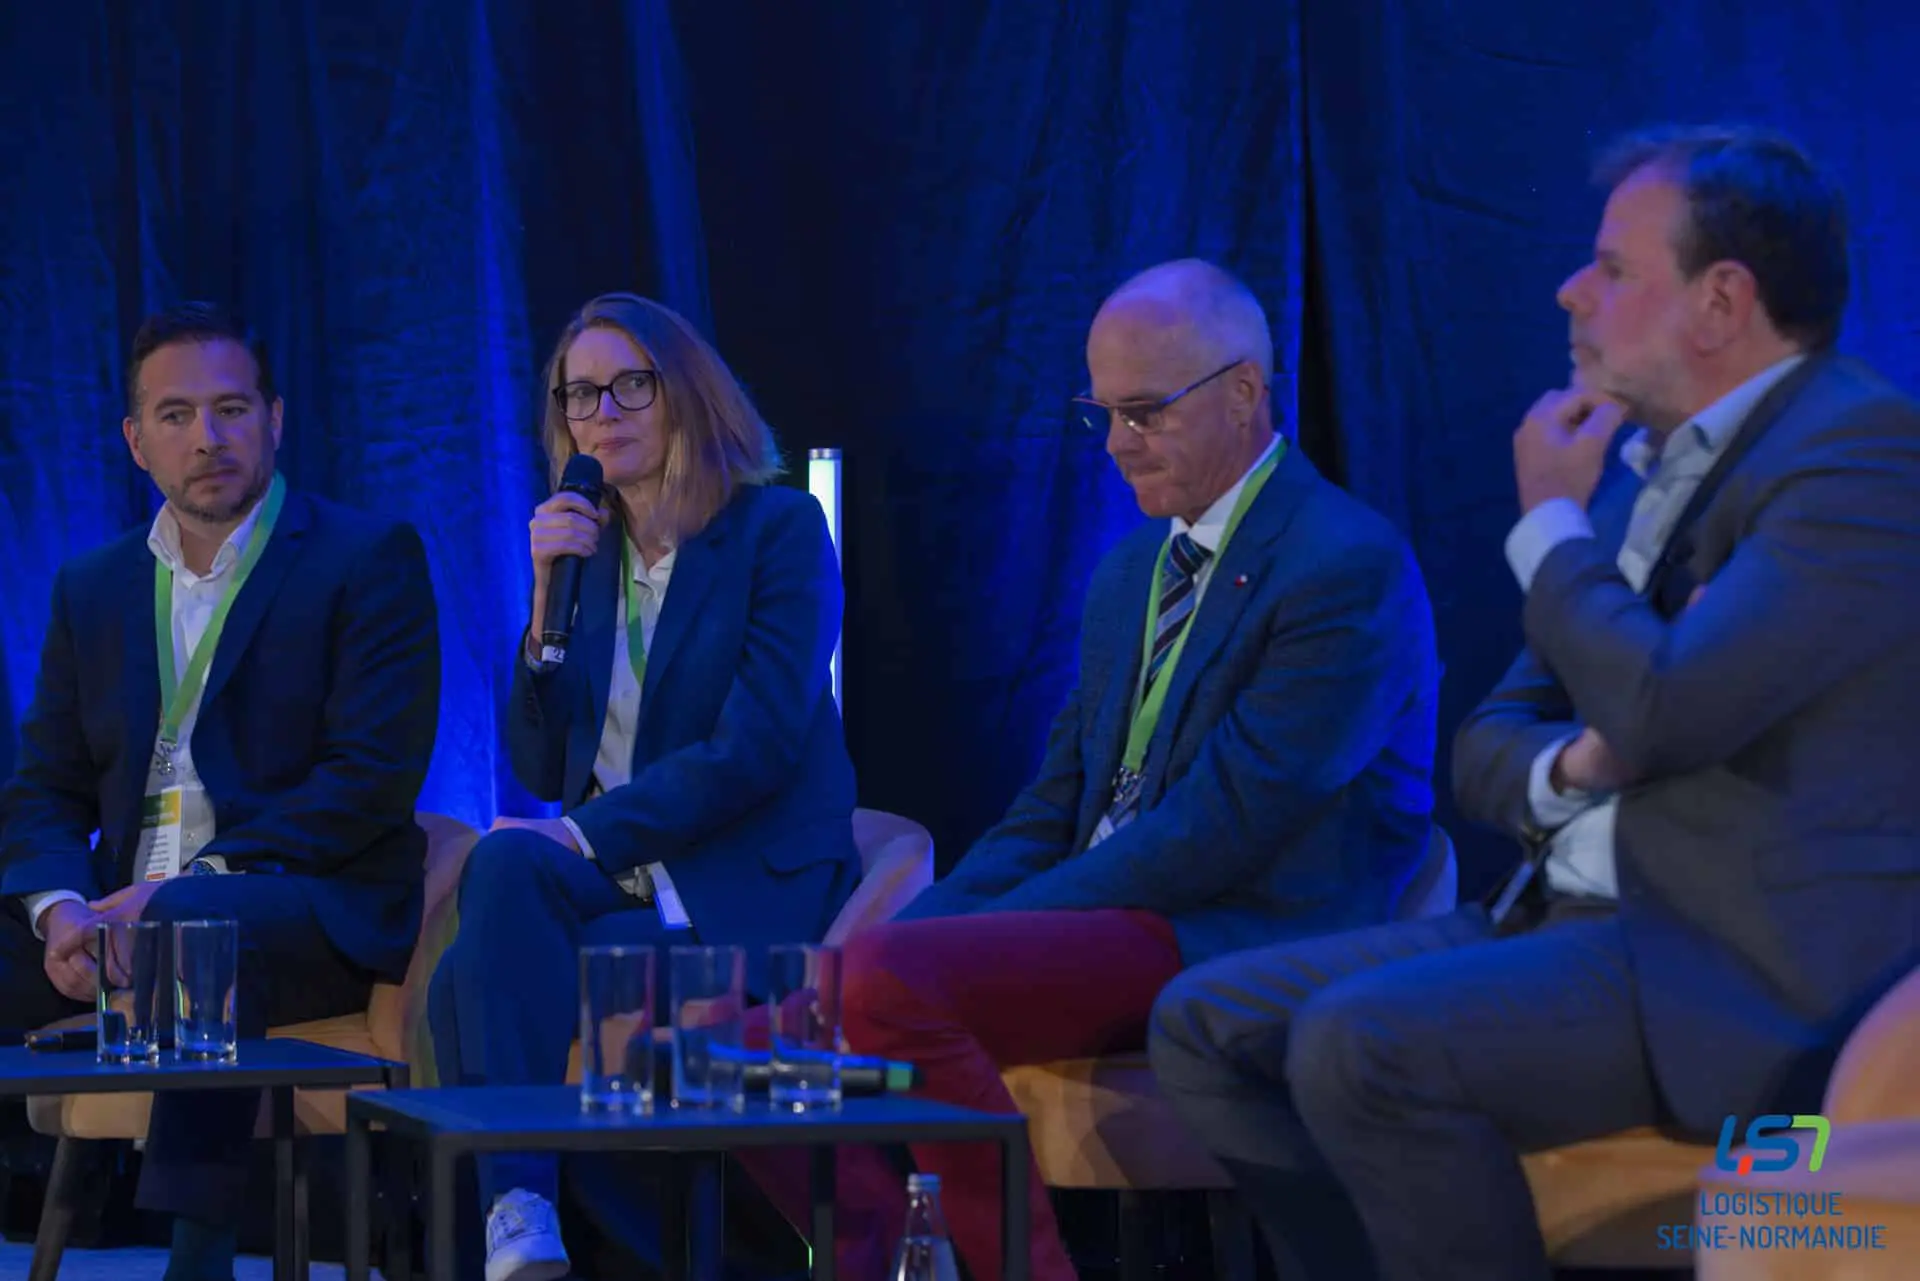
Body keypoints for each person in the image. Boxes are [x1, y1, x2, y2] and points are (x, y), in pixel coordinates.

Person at [1147, 126, 1920, 1281]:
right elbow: (1490, 743)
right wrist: (1577, 766)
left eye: (1611, 268)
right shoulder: (1651, 470)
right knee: (1204, 1024)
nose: (1570, 290)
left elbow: (1657, 710)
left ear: (1720, 301)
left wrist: (1550, 524)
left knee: (1364, 1045)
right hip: (1562, 918)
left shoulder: (1855, 459)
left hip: (1725, 963)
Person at [745, 258, 1441, 1281]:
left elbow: (1217, 830)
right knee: (746, 1044)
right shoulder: (1131, 571)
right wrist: (929, 926)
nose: (1116, 443)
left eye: (1144, 412)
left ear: (1244, 391)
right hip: (1114, 911)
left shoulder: (1345, 563)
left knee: (887, 984)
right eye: (1102, 412)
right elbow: (1054, 804)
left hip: (1236, 926)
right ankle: (889, 1264)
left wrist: (973, 935)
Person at [423, 291, 860, 1281]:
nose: (602, 412)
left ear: (686, 393)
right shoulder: (588, 555)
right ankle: (526, 1215)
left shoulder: (778, 531)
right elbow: (540, 768)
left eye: (630, 385)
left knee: (472, 982)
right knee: (502, 871)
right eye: (579, 394)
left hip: (736, 884)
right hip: (622, 879)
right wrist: (544, 603)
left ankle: (581, 1244)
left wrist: (581, 837)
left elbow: (755, 748)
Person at [0, 302, 440, 1281]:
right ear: (136, 440)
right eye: (176, 414)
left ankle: (194, 1260)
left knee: (193, 926)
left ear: (274, 419)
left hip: (306, 907)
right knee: (114, 925)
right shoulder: (93, 586)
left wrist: (182, 888)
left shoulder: (365, 559)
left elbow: (367, 780)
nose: (207, 437)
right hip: (122, 911)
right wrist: (62, 911)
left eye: (232, 409)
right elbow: (45, 787)